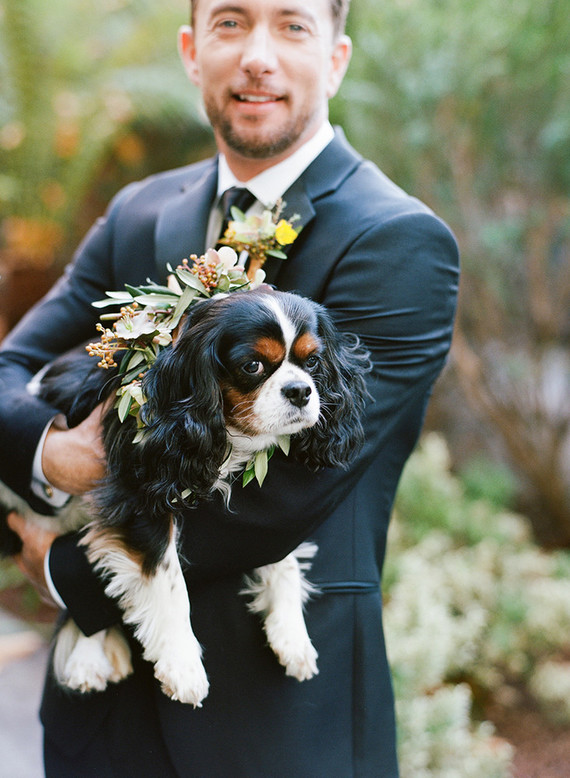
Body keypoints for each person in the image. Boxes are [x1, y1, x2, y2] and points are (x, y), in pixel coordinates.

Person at [0, 0, 459, 775]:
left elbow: (287, 493)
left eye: (291, 25)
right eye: (230, 22)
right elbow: (12, 367)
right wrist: (53, 455)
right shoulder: (138, 210)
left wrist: (59, 568)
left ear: (337, 57)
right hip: (97, 722)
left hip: (277, 723)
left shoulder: (400, 240)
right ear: (190, 49)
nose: (257, 55)